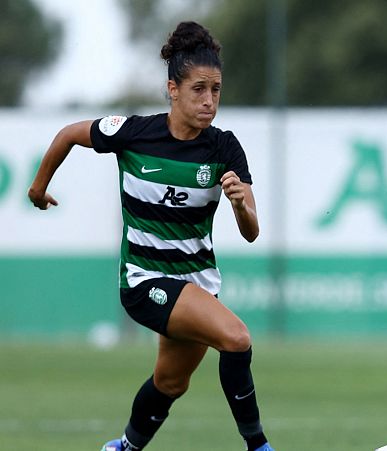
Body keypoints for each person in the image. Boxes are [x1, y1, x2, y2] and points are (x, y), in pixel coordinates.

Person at [27, 21, 275, 451]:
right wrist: (38, 186)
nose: (209, 100)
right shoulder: (134, 133)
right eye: (198, 89)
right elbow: (69, 134)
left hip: (197, 284)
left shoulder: (224, 148)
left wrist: (239, 204)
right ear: (172, 89)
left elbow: (251, 232)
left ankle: (124, 446)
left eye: (216, 90)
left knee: (170, 381)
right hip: (144, 281)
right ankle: (259, 447)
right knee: (236, 339)